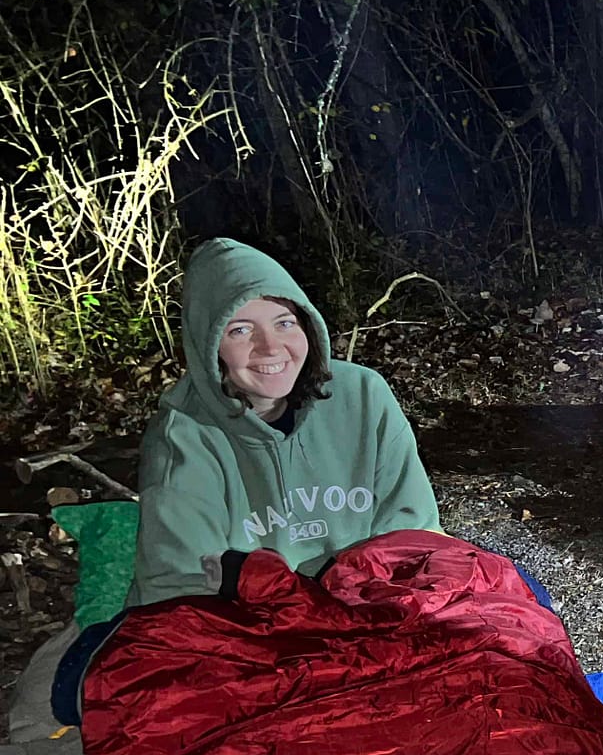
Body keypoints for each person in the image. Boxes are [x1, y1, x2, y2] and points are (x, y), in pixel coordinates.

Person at [128, 238, 440, 606]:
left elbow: (415, 531)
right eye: (240, 330)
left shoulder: (363, 395)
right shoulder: (183, 438)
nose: (271, 347)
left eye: (284, 322)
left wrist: (352, 595)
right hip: (253, 622)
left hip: (368, 601)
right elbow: (181, 587)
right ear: (208, 346)